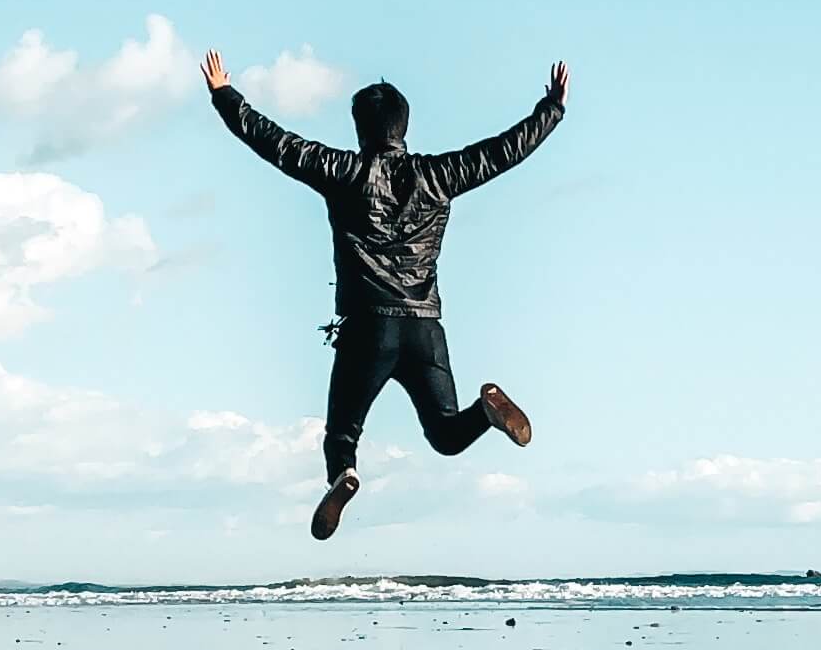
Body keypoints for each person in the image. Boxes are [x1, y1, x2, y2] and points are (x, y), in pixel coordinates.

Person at [202, 49, 569, 539]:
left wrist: (225, 95)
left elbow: (276, 143)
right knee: (445, 436)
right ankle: (486, 411)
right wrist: (551, 109)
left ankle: (345, 476)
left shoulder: (342, 172)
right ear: (404, 126)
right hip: (424, 328)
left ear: (359, 128)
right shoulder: (441, 175)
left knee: (342, 436)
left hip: (367, 328)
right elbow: (502, 152)